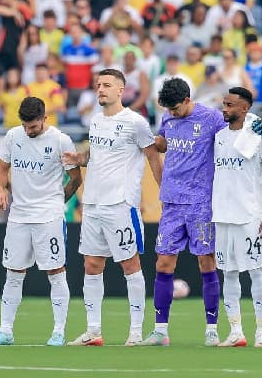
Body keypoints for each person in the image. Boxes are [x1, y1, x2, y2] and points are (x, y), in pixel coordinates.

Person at [139, 78, 262, 347]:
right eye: (169, 110)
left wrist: (257, 125)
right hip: (172, 202)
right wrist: (156, 142)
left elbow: (236, 128)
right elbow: (165, 143)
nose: (172, 113)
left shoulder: (211, 118)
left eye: (176, 108)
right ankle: (160, 330)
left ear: (187, 100)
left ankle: (212, 329)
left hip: (202, 202)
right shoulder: (168, 117)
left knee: (207, 262)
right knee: (163, 263)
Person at [61, 68, 163, 346]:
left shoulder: (135, 122)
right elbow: (94, 156)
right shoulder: (95, 121)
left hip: (121, 204)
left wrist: (165, 191)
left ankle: (135, 331)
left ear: (121, 90)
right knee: (92, 264)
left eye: (106, 85)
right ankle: (93, 331)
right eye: (98, 85)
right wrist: (79, 158)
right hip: (93, 203)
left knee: (130, 264)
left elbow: (152, 156)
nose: (100, 89)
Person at [0, 97, 83, 347]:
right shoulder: (13, 136)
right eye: (25, 126)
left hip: (49, 216)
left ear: (44, 119)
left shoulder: (60, 140)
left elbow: (75, 178)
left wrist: (58, 202)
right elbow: (1, 169)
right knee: (13, 273)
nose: (29, 131)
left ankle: (58, 332)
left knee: (55, 272)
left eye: (34, 126)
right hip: (18, 215)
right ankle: (5, 331)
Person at [212, 86, 262, 348]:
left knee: (255, 272)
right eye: (224, 103)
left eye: (230, 104)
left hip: (251, 216)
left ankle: (261, 331)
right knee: (228, 273)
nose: (225, 108)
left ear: (244, 108)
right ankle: (236, 331)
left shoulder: (259, 136)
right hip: (222, 215)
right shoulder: (219, 136)